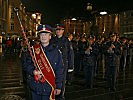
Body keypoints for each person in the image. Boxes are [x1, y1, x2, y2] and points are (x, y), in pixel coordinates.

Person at [24, 24, 64, 100]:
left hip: (49, 87)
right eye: (41, 34)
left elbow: (59, 70)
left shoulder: (56, 52)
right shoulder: (33, 50)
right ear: (39, 36)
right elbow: (26, 65)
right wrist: (33, 71)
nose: (43, 36)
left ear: (50, 36)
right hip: (35, 87)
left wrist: (58, 86)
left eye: (46, 34)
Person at [51, 24, 73, 100]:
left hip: (63, 64)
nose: (58, 31)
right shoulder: (52, 40)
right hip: (54, 64)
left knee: (62, 81)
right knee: (53, 80)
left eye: (59, 29)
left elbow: (70, 54)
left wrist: (71, 66)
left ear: (63, 31)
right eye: (57, 30)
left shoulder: (66, 41)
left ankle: (61, 96)